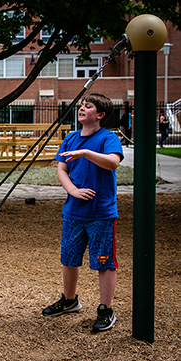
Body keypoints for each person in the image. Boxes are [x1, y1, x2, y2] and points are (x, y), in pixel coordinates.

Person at [42, 93, 124, 333]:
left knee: (104, 262)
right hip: (73, 212)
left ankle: (105, 309)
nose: (82, 109)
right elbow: (62, 169)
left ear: (100, 115)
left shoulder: (108, 138)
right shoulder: (70, 138)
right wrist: (73, 191)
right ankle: (69, 301)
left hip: (101, 213)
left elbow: (113, 163)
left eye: (88, 106)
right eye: (81, 105)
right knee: (69, 258)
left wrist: (85, 153)